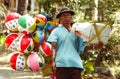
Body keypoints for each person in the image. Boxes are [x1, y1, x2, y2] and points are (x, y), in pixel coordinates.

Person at [47, 7, 103, 79]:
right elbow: (53, 47)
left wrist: (96, 46)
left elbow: (82, 47)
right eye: (63, 15)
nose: (66, 16)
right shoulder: (56, 31)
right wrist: (53, 62)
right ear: (60, 18)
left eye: (68, 14)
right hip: (61, 64)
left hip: (75, 64)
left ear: (71, 17)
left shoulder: (77, 31)